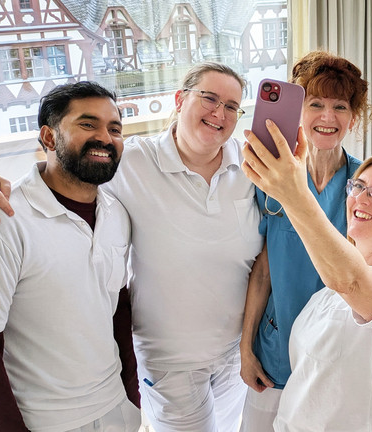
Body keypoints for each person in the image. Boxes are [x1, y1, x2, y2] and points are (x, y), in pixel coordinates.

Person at [242, 123, 372, 431]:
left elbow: (352, 281)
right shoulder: (326, 295)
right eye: (357, 187)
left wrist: (293, 193)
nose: (361, 198)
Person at [107, 63, 264, 432]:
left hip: (234, 354)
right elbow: (68, 178)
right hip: (169, 360)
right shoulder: (132, 161)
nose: (218, 113)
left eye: (231, 106)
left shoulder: (251, 163)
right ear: (179, 100)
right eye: (208, 98)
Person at [0, 82, 141, 431]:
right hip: (45, 420)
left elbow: (118, 311)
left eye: (114, 128)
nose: (105, 137)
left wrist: (131, 398)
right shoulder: (6, 220)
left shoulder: (116, 213)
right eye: (87, 124)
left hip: (116, 407)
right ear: (48, 137)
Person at [239, 51, 368, 430]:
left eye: (339, 106)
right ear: (299, 111)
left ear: (353, 118)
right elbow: (262, 271)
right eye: (315, 104)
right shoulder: (273, 177)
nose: (327, 117)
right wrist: (246, 349)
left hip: (335, 353)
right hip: (275, 350)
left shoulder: (366, 183)